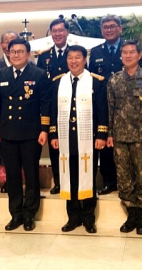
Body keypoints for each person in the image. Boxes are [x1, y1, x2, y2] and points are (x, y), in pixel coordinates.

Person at [0, 38, 51, 232]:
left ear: (28, 54)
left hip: (31, 133)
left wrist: (44, 130)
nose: (16, 55)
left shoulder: (39, 74)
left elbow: (45, 104)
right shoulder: (0, 75)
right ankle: (15, 213)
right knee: (13, 175)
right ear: (8, 53)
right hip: (7, 133)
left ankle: (29, 214)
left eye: (20, 51)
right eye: (13, 51)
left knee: (31, 175)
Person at [107, 40, 142, 235]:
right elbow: (110, 110)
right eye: (125, 52)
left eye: (132, 52)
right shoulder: (114, 80)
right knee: (124, 178)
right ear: (120, 55)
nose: (128, 55)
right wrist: (109, 134)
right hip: (120, 138)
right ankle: (131, 215)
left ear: (140, 55)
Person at [49, 45, 108, 234]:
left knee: (88, 177)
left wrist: (101, 135)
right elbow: (52, 111)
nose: (73, 61)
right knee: (69, 178)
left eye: (77, 57)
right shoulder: (59, 82)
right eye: (70, 58)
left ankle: (89, 218)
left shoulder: (96, 82)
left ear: (85, 59)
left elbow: (102, 111)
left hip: (88, 139)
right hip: (66, 138)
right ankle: (73, 216)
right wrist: (53, 134)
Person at [89, 14, 142, 195]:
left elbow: (140, 77)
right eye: (105, 27)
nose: (109, 30)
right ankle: (109, 180)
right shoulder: (95, 52)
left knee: (125, 145)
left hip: (126, 105)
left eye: (112, 26)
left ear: (120, 28)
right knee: (105, 142)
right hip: (102, 104)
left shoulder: (129, 49)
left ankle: (128, 181)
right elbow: (92, 79)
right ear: (101, 30)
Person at [37, 19, 70, 195]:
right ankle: (58, 181)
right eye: (54, 31)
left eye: (60, 30)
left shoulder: (74, 53)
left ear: (67, 33)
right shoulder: (44, 56)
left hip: (72, 106)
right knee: (55, 145)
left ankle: (72, 179)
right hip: (52, 107)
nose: (57, 34)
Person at [0, 30, 19, 193]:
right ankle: (5, 181)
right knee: (1, 151)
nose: (9, 45)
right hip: (2, 117)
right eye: (6, 42)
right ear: (2, 45)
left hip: (22, 120)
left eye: (12, 41)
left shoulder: (31, 66)